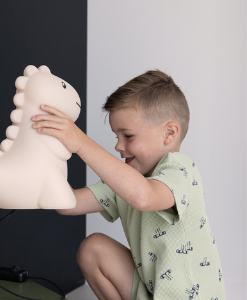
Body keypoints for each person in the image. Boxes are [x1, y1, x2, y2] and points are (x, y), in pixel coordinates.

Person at [37, 70, 224, 299]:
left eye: (127, 136)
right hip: (151, 291)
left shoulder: (181, 170)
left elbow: (143, 196)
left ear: (169, 133)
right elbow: (67, 204)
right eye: (116, 136)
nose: (118, 146)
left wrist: (81, 143)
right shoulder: (125, 179)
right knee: (92, 248)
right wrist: (45, 155)